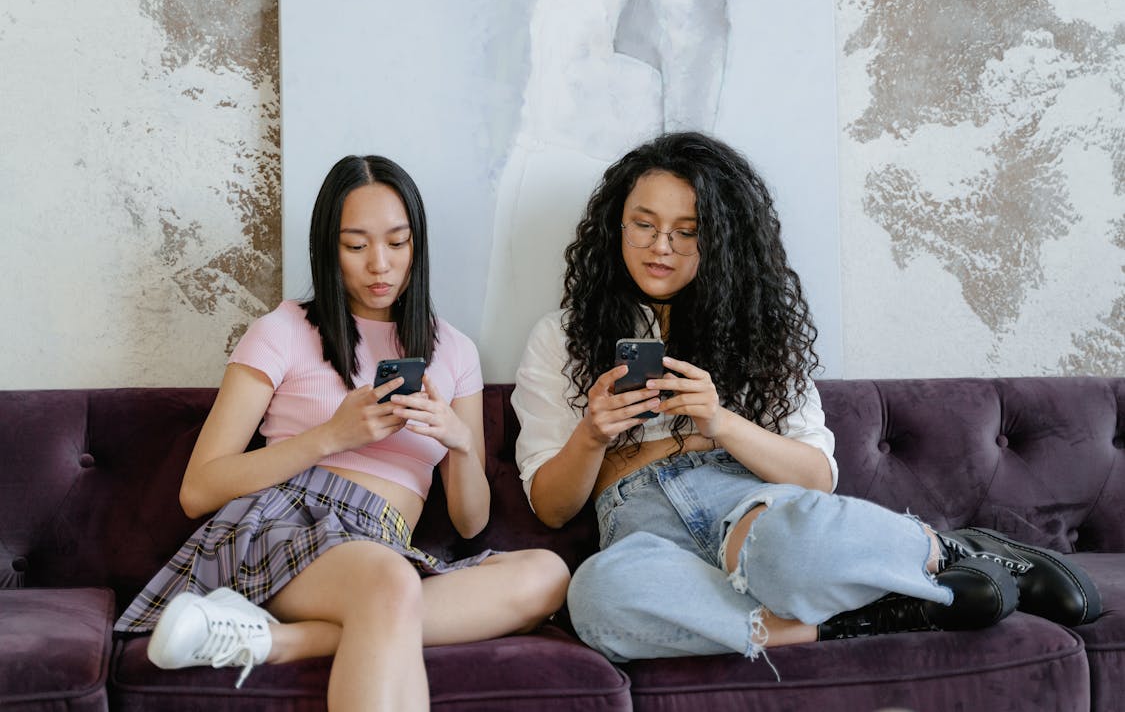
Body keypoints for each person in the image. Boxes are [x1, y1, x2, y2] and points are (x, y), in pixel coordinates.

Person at [511, 131, 1100, 664]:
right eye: (643, 224)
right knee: (597, 599)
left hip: (742, 503)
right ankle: (869, 616)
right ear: (617, 224)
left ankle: (948, 548)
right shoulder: (559, 335)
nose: (660, 246)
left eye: (687, 232)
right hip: (638, 530)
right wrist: (591, 433)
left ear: (720, 241)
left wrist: (719, 422)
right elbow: (553, 508)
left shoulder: (758, 331)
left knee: (783, 554)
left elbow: (816, 476)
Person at [115, 155, 570, 710]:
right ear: (328, 248)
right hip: (287, 523)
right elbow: (198, 490)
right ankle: (301, 624)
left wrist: (459, 442)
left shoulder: (456, 352)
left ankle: (274, 640)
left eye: (397, 244)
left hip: (381, 547)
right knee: (390, 585)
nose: (379, 265)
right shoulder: (282, 330)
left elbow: (470, 522)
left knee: (546, 574)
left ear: (416, 245)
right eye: (356, 246)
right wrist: (331, 436)